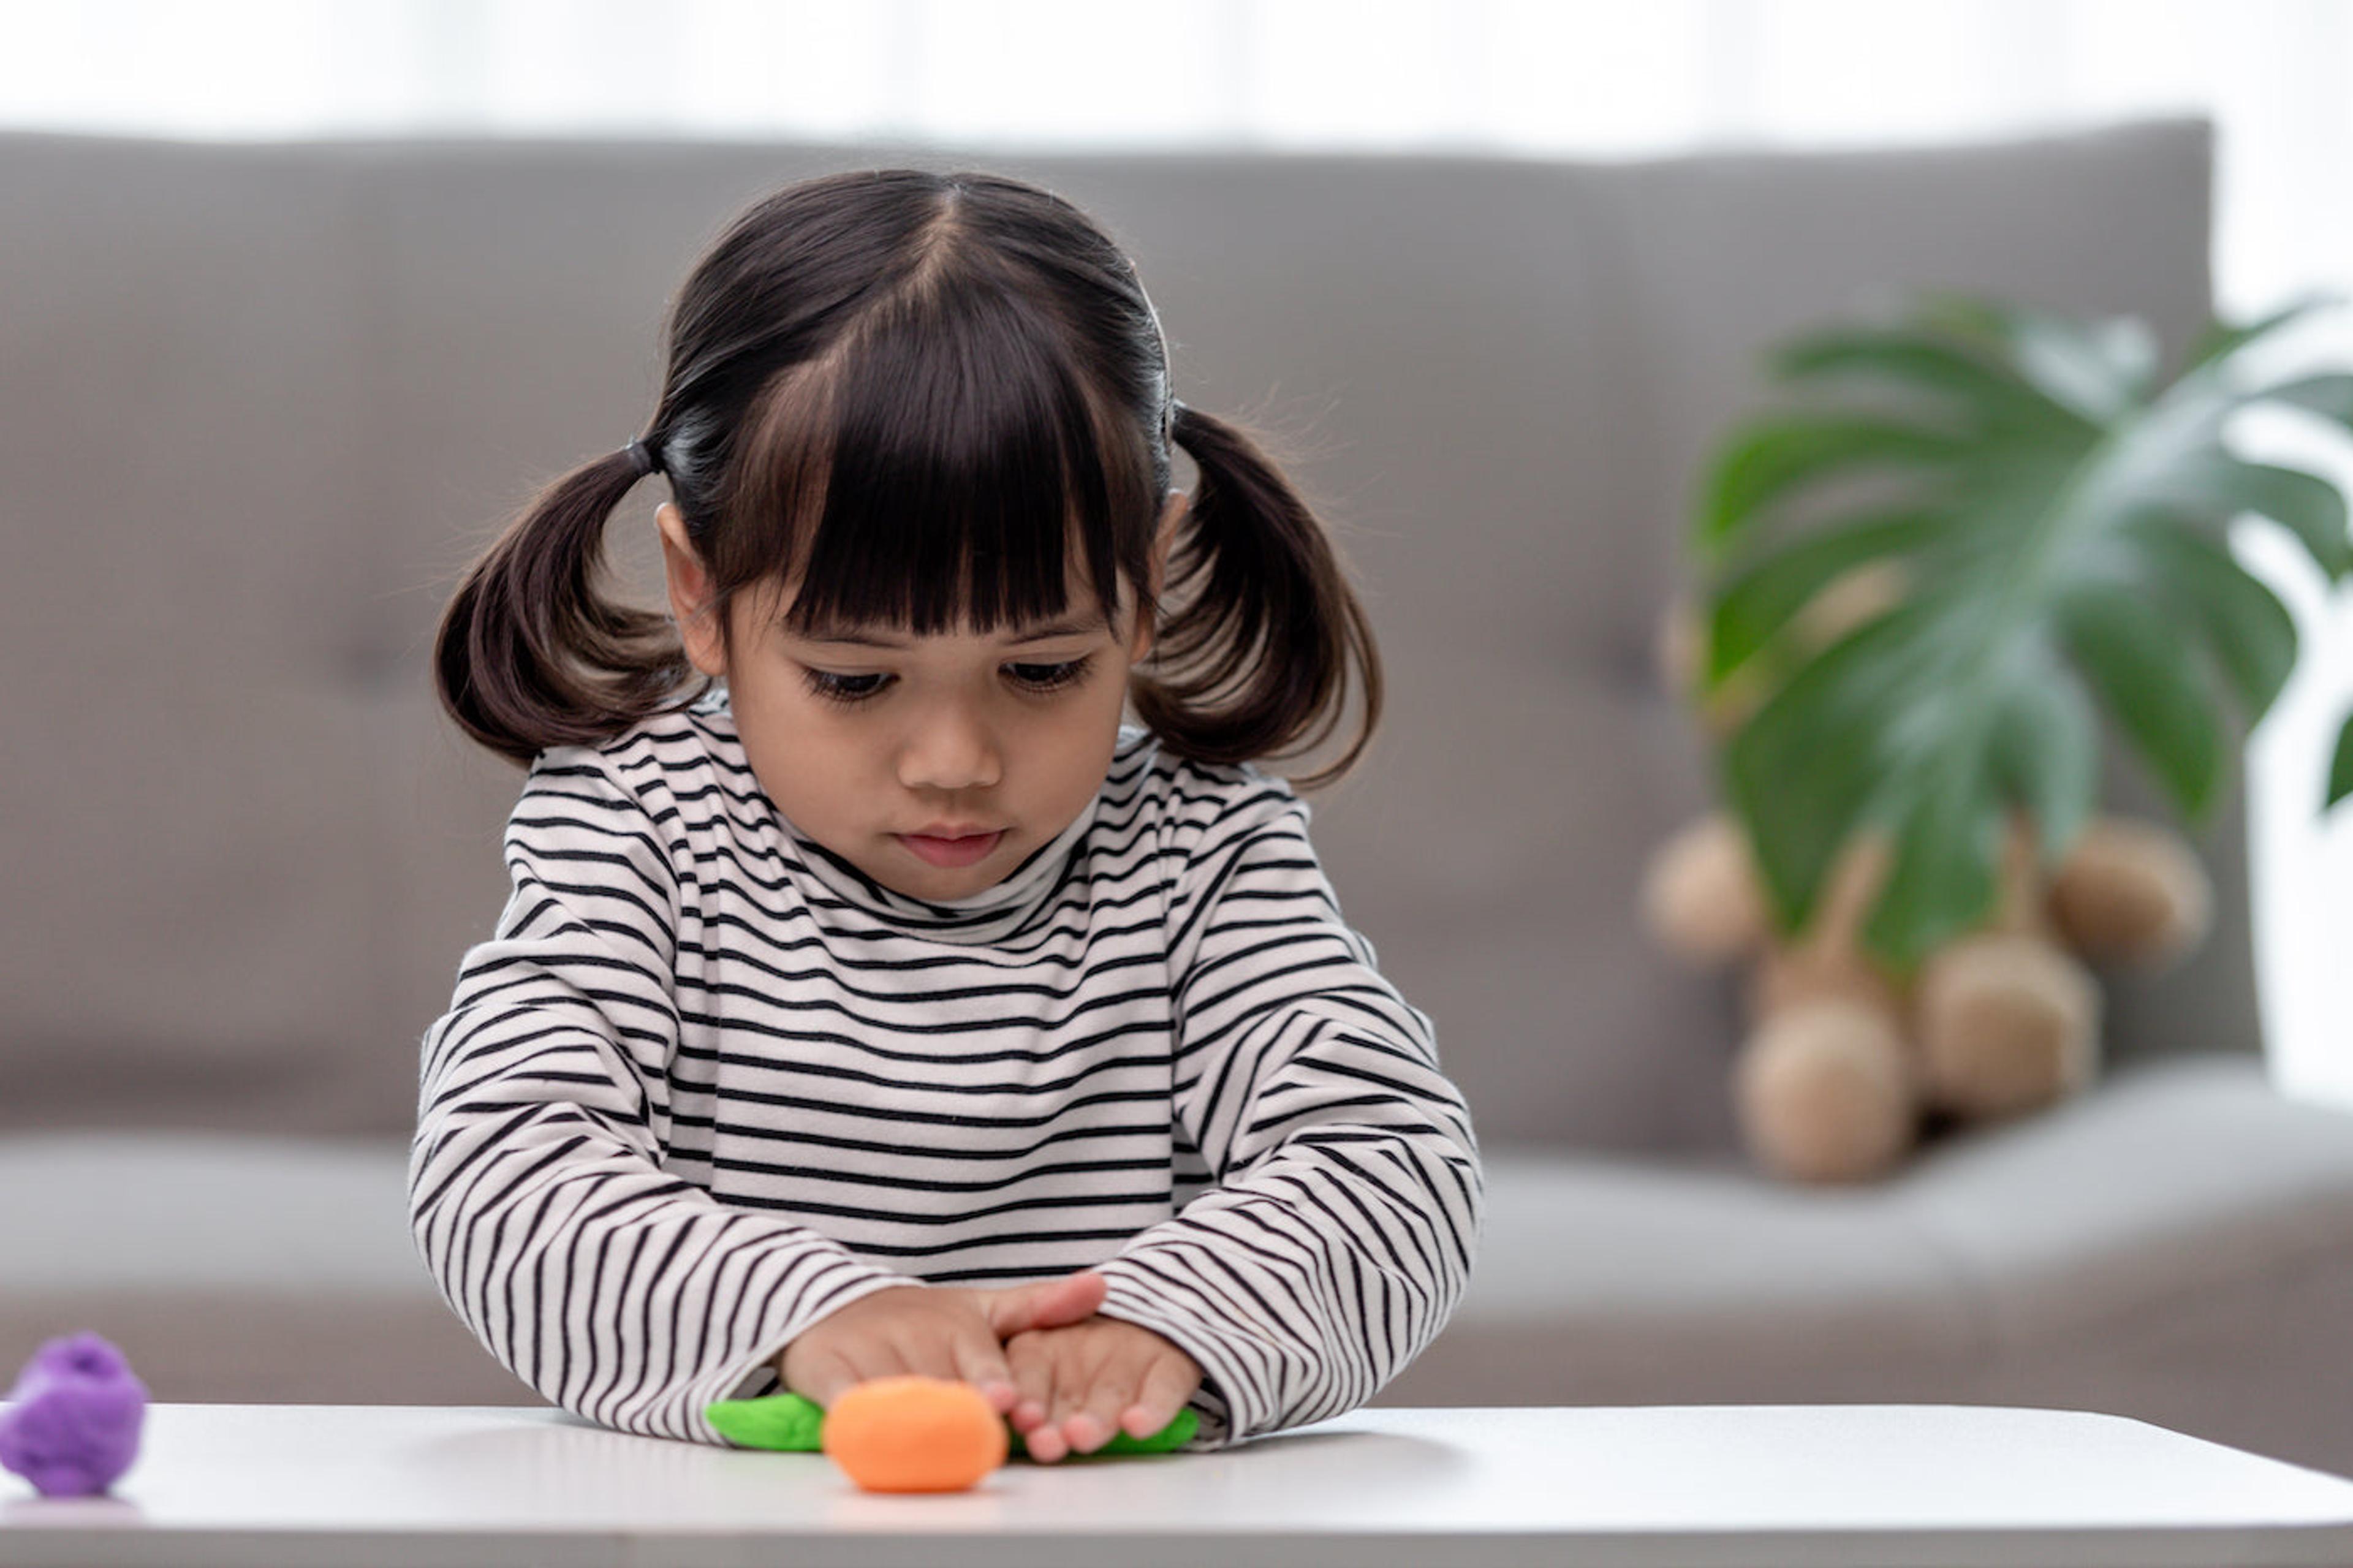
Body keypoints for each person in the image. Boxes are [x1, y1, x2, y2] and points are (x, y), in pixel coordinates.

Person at [414, 167, 1484, 1458]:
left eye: (1043, 670)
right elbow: (500, 1164)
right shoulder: (639, 828)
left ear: (1145, 586)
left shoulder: (1203, 852)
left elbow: (1394, 1158)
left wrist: (1171, 1323)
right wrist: (813, 1313)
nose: (955, 763)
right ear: (701, 593)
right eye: (855, 680)